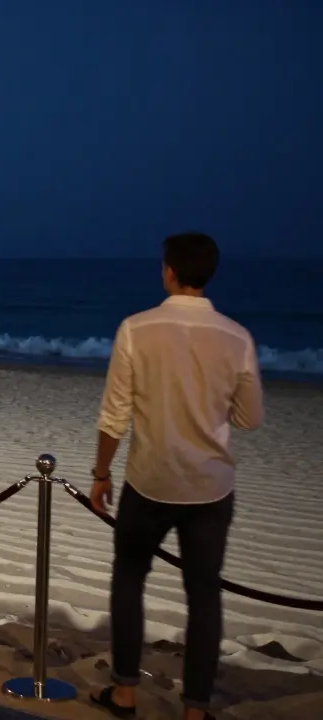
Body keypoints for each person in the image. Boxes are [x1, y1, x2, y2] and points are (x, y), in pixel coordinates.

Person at [89, 233, 263, 720]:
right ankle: (194, 710)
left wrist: (100, 474)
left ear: (168, 270)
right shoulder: (236, 336)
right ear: (210, 273)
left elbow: (113, 416)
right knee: (204, 596)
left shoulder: (136, 329)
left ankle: (124, 692)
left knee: (129, 580)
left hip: (148, 481)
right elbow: (250, 418)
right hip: (210, 486)